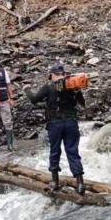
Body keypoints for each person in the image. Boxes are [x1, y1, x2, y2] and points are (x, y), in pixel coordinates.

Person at [24, 64, 86, 195]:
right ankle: (80, 183)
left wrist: (27, 90)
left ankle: (55, 182)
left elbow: (34, 100)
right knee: (73, 151)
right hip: (71, 123)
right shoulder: (72, 85)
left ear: (52, 75)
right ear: (63, 73)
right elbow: (83, 103)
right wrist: (77, 91)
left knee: (55, 151)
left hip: (55, 123)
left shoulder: (49, 86)